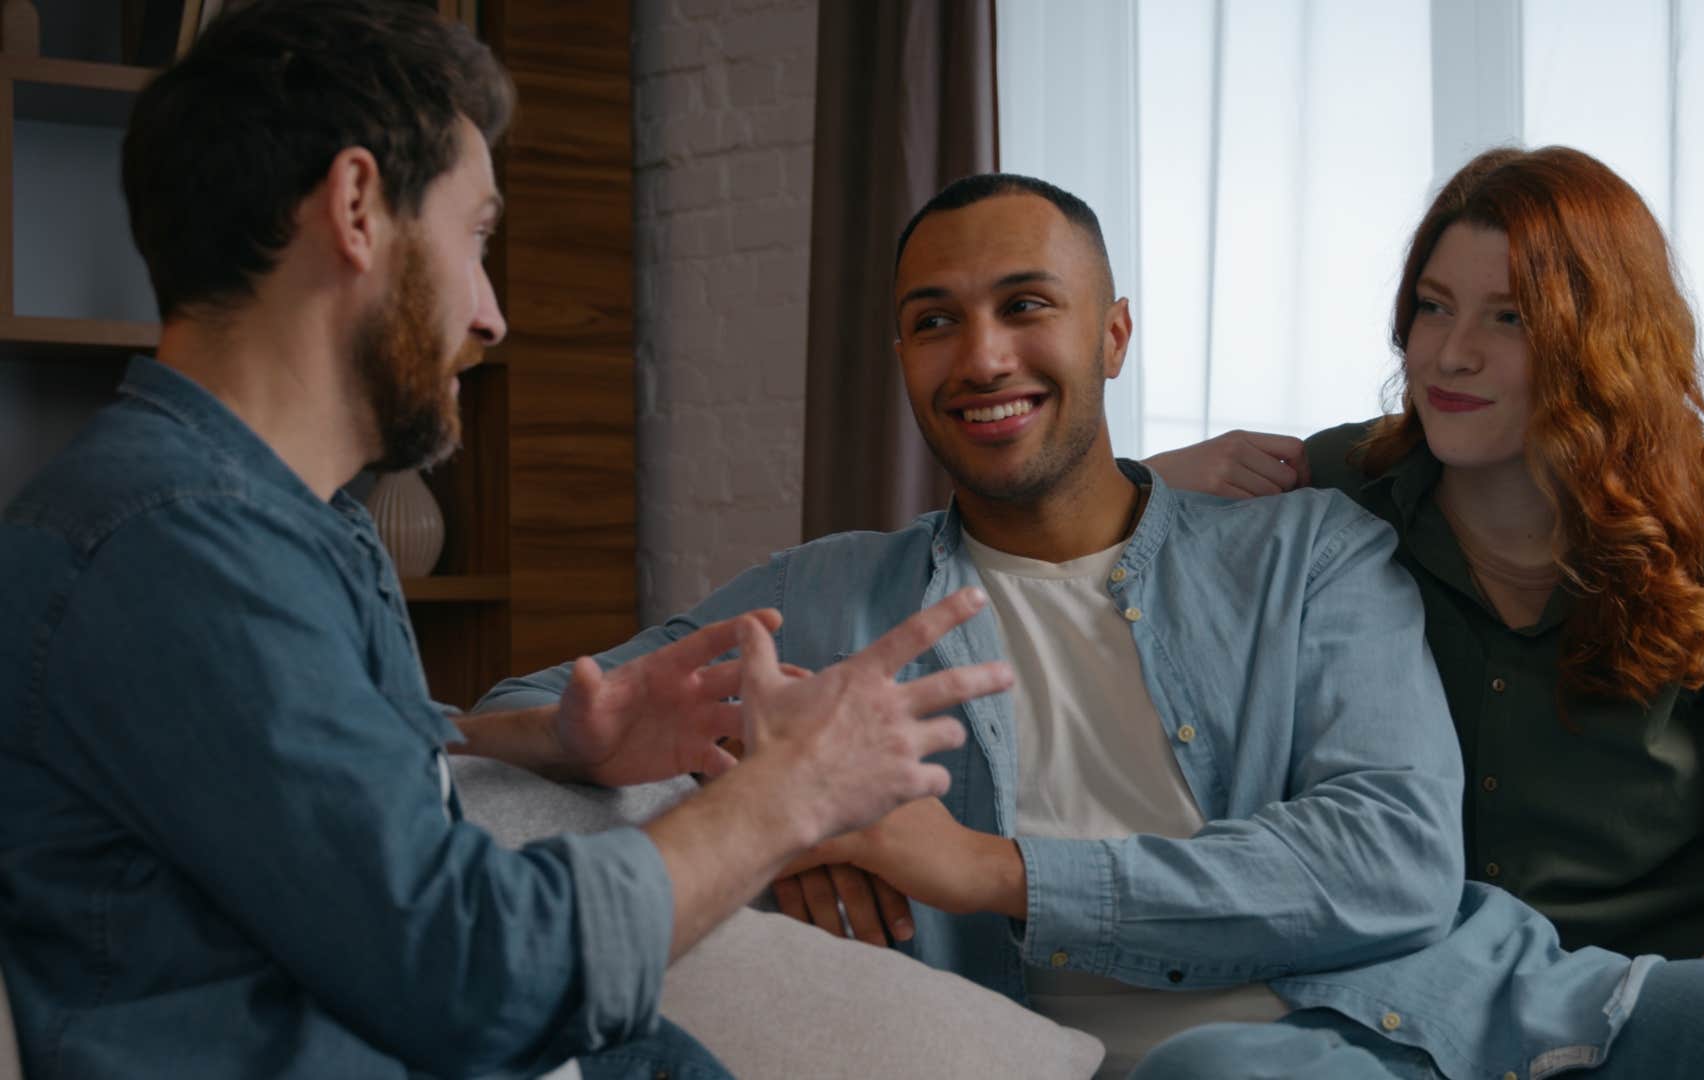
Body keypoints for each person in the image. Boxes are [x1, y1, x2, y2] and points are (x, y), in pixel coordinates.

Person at [479, 172, 1704, 1078]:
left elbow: (1397, 856)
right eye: (932, 320)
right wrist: (686, 777)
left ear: (1113, 337)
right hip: (1257, 1055)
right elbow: (514, 716)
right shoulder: (843, 592)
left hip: (1516, 997)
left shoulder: (1305, 546)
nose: (979, 354)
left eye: (1024, 307)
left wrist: (980, 867)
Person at [0, 3, 1011, 1077]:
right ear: (355, 207)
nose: (491, 315)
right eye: (475, 236)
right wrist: (793, 790)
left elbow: (296, 776)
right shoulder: (175, 548)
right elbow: (468, 970)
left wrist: (552, 744)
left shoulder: (284, 527)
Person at [1147, 145, 1704, 1003]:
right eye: (1434, 308)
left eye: (1509, 318)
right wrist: (1150, 485)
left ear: (1604, 342)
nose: (1450, 356)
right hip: (1517, 985)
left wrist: (1678, 1023)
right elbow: (1093, 532)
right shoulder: (1347, 490)